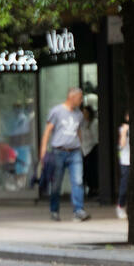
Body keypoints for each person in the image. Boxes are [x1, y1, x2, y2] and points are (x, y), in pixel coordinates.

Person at [39, 87, 90, 222]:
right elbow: (47, 131)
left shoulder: (78, 114)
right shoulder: (57, 111)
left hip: (75, 151)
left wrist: (81, 146)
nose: (81, 101)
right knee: (56, 184)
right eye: (79, 98)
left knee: (78, 181)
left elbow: (78, 131)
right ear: (71, 97)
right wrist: (43, 152)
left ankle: (78, 210)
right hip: (58, 151)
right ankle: (54, 210)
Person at [81, 104, 99, 199]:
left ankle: (94, 188)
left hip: (92, 148)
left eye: (86, 113)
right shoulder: (83, 123)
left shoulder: (94, 122)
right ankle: (89, 188)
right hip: (84, 149)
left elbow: (96, 137)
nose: (84, 115)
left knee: (92, 170)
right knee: (85, 171)